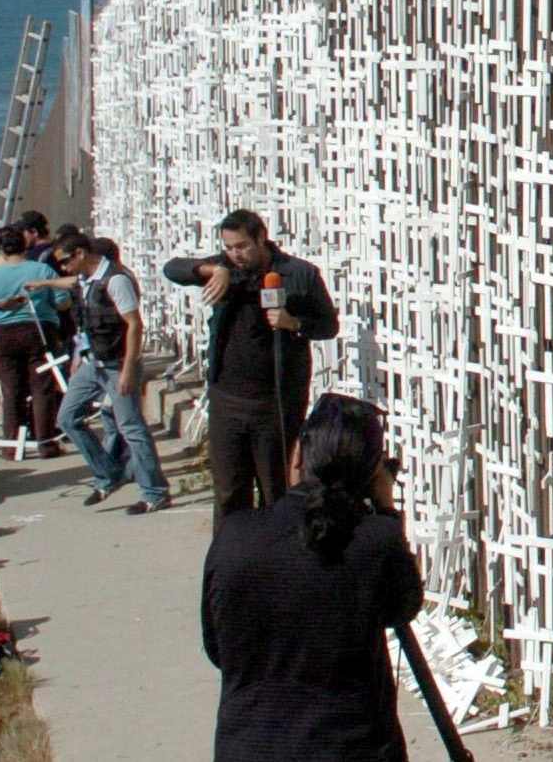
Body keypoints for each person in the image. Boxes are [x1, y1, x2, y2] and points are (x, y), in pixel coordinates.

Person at [202, 392, 422, 761]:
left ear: (299, 457)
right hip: (351, 748)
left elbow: (217, 648)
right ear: (370, 473)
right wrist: (385, 510)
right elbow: (403, 607)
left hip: (248, 747)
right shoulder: (375, 543)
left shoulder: (235, 535)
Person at [163, 209, 338, 522]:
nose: (235, 255)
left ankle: (278, 560)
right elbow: (172, 268)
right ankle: (230, 562)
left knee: (276, 491)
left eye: (241, 246)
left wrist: (293, 322)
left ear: (261, 238)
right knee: (230, 491)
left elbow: (328, 325)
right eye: (228, 248)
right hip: (228, 398)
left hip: (275, 402)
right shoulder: (225, 268)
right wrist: (213, 269)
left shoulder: (299, 273)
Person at [31, 233, 172, 512]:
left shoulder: (116, 280)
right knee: (68, 418)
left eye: (65, 261)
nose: (64, 267)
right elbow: (71, 286)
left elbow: (134, 324)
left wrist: (129, 369)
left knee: (131, 427)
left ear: (81, 254)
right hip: (91, 362)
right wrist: (43, 283)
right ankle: (109, 473)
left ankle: (155, 492)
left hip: (117, 364)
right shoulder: (86, 279)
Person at [0, 227, 70, 458]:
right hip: (39, 330)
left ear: (0, 249)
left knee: (12, 390)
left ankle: (12, 447)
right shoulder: (42, 270)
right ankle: (46, 443)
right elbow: (63, 302)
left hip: (2, 333)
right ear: (25, 245)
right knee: (42, 388)